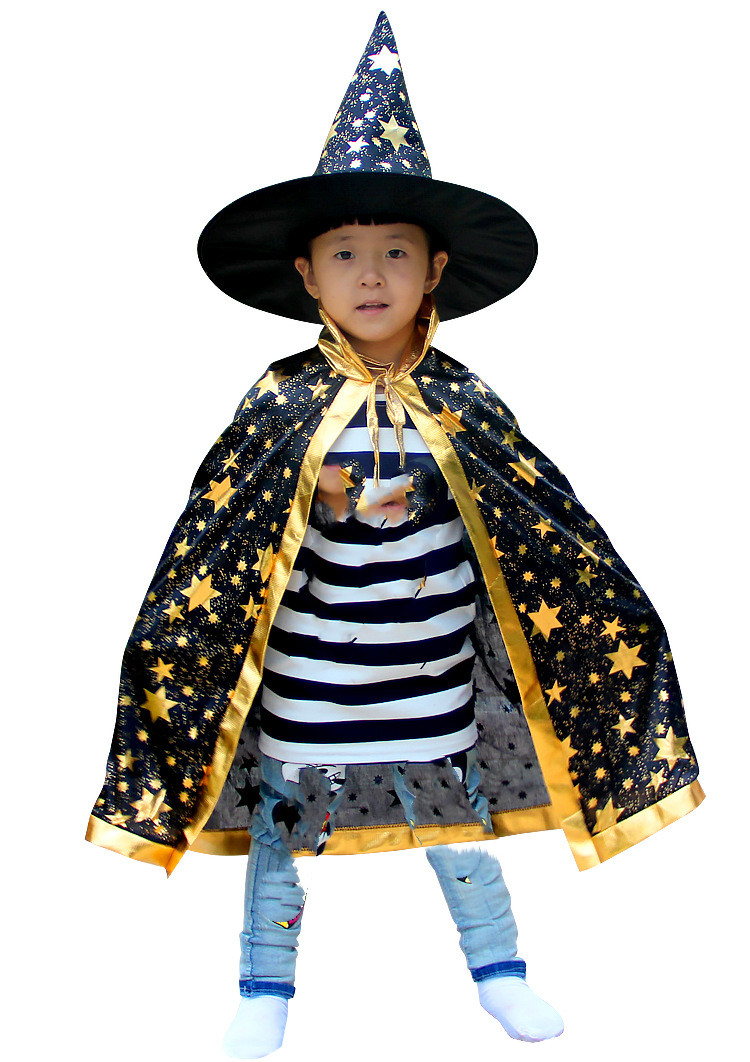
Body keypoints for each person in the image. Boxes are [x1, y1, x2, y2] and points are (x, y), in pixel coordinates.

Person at [86, 13, 703, 1060]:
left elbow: (533, 525)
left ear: (433, 270)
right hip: (310, 686)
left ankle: (500, 974)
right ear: (307, 275)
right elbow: (224, 542)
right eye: (345, 254)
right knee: (281, 844)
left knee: (464, 838)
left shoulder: (463, 399)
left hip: (430, 682)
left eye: (394, 255)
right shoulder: (280, 400)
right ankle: (264, 987)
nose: (370, 275)